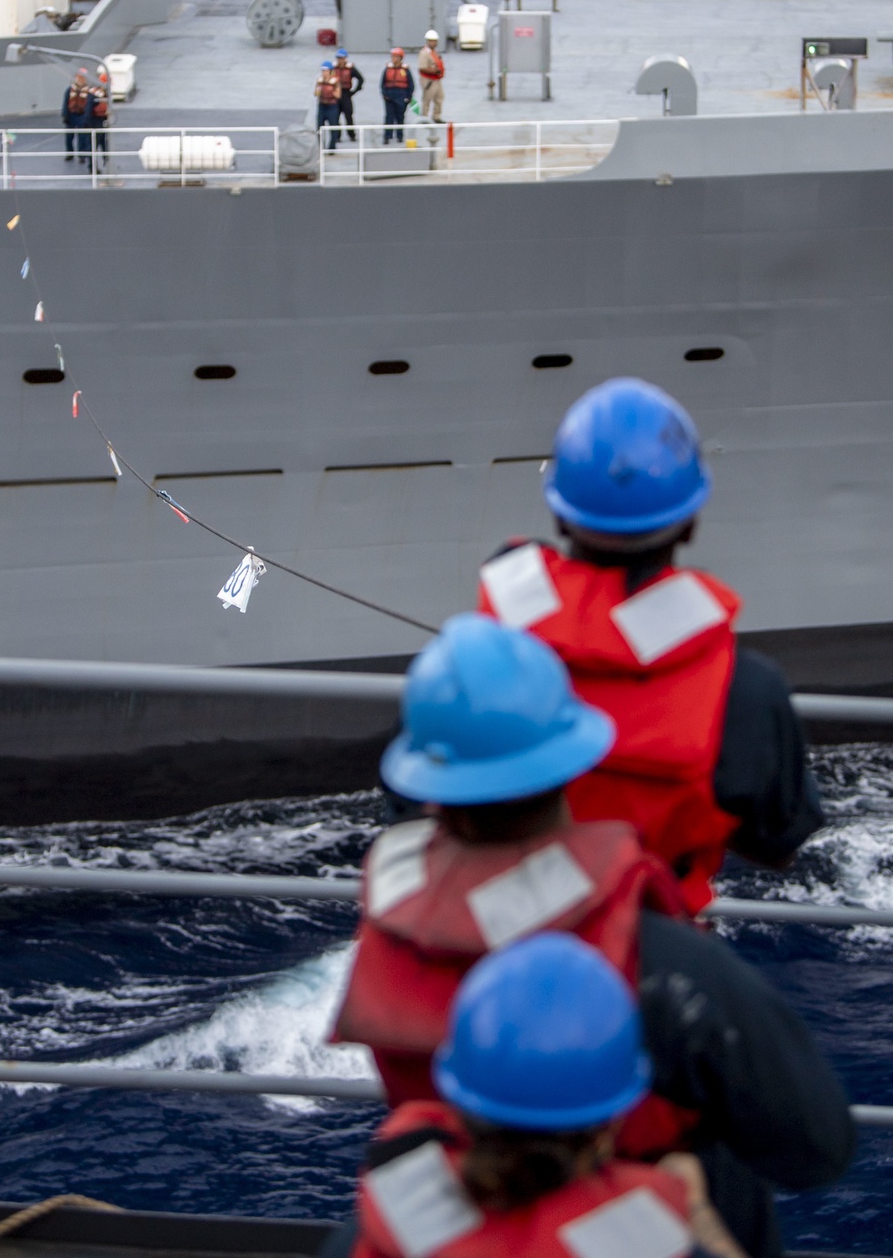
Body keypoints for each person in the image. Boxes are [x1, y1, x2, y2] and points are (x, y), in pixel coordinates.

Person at [332, 613, 854, 1258]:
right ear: (573, 763)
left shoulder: (390, 927)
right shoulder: (665, 963)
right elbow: (814, 1149)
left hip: (460, 1190)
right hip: (643, 1199)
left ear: (422, 787)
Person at [477, 377, 824, 915]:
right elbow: (776, 845)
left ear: (560, 513)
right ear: (689, 524)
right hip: (645, 941)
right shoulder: (746, 688)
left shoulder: (493, 634)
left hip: (495, 926)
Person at [338, 933, 749, 1258]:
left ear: (460, 1099)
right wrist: (695, 1210)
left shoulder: (388, 1211)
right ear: (614, 1117)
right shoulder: (652, 1237)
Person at [381, 48, 414, 144]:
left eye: (395, 56)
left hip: (401, 95)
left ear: (400, 58)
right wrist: (384, 94)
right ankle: (387, 136)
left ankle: (400, 135)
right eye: (392, 56)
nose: (393, 58)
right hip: (389, 95)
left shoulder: (405, 70)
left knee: (400, 116)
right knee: (389, 117)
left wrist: (409, 97)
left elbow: (411, 84)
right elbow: (382, 83)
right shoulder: (387, 69)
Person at [334, 49, 364, 142]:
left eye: (341, 58)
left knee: (348, 115)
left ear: (345, 58)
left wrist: (355, 90)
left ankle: (351, 134)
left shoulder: (351, 68)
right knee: (335, 116)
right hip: (336, 94)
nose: (340, 60)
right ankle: (337, 136)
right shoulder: (333, 68)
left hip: (346, 94)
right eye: (338, 58)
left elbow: (361, 79)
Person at [61, 68, 90, 163]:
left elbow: (89, 105)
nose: (80, 79)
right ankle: (70, 153)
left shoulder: (88, 91)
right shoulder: (69, 90)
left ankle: (82, 155)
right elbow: (66, 103)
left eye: (82, 77)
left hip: (82, 116)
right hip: (71, 115)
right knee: (69, 136)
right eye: (79, 77)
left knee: (82, 136)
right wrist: (65, 115)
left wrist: (87, 117)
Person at [418, 29, 445, 121]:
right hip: (429, 80)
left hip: (437, 80)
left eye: (434, 41)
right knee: (427, 99)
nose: (433, 43)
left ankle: (436, 116)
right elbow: (422, 67)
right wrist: (434, 71)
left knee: (439, 97)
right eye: (431, 41)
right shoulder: (424, 53)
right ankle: (424, 118)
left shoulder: (434, 52)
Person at [315, 60, 342, 152]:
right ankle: (321, 146)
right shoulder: (319, 80)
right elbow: (316, 93)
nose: (324, 73)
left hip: (332, 105)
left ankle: (332, 147)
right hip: (322, 105)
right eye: (322, 71)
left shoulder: (335, 81)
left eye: (325, 71)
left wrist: (330, 90)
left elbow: (338, 95)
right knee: (319, 127)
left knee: (333, 126)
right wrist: (319, 88)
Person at [87, 69, 110, 168]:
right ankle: (92, 166)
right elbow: (88, 109)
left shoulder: (105, 93)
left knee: (104, 143)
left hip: (102, 121)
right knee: (94, 145)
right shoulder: (93, 94)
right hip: (94, 122)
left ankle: (107, 161)